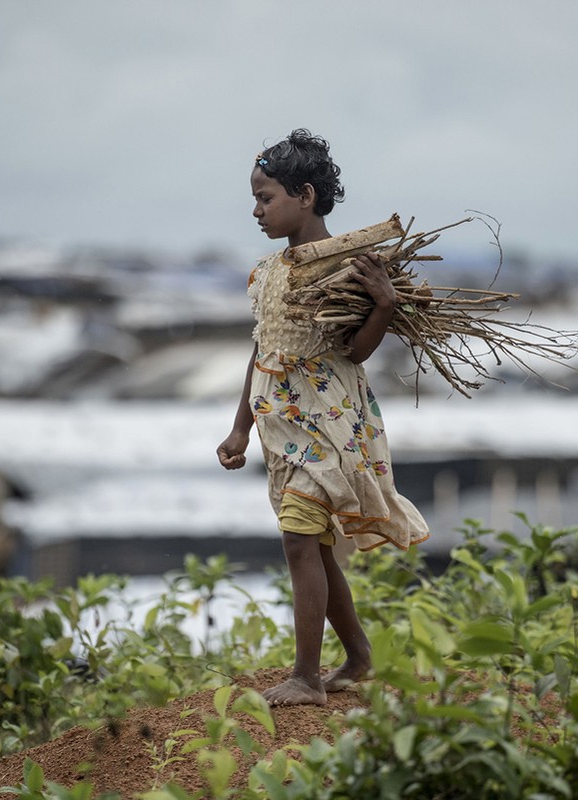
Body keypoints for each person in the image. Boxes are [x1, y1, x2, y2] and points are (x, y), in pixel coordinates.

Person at [217, 129, 430, 706]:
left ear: (305, 195)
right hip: (279, 427)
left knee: (298, 541)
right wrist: (241, 427)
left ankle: (307, 677)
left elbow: (355, 352)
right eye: (256, 198)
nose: (256, 209)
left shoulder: (349, 267)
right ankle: (358, 657)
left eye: (266, 197)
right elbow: (263, 352)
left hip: (328, 421)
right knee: (308, 541)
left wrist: (384, 304)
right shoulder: (266, 273)